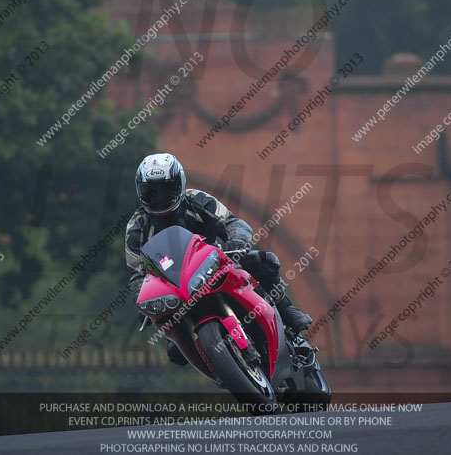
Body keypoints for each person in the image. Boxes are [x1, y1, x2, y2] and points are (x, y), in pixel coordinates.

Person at [125, 153, 312, 365]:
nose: (159, 197)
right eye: (151, 192)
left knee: (263, 260)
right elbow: (136, 274)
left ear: (180, 184)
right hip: (175, 293)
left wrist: (237, 241)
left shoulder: (196, 200)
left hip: (214, 266)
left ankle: (285, 308)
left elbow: (232, 222)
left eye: (167, 189)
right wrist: (143, 303)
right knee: (175, 351)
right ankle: (218, 366)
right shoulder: (137, 226)